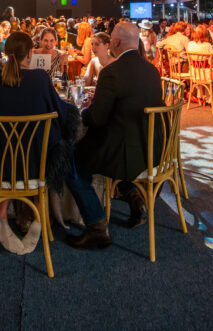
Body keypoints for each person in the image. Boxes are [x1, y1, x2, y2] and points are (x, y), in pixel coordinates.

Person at [0, 31, 80, 250]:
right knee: (45, 144)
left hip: (0, 166)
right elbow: (60, 111)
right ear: (31, 52)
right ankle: (39, 218)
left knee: (8, 148)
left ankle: (1, 215)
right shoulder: (40, 77)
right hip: (35, 168)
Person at [66, 22, 161, 249]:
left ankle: (97, 225)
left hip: (123, 153)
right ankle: (132, 195)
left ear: (115, 43)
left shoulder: (111, 72)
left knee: (70, 161)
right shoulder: (152, 70)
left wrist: (85, 110)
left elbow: (97, 119)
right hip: (152, 150)